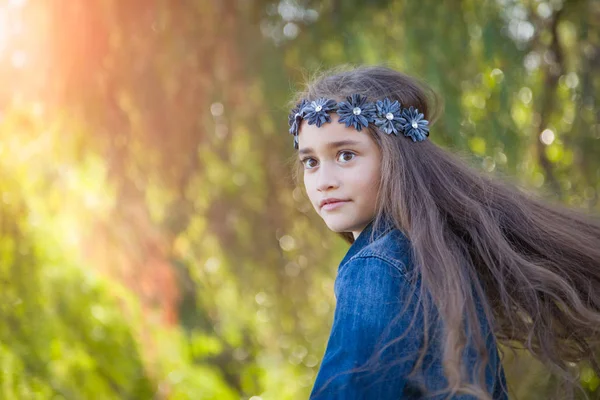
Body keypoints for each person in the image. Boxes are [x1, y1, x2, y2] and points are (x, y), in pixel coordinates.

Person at [287, 65, 600, 399]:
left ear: (396, 158)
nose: (324, 181)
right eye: (311, 162)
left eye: (345, 155)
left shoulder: (377, 266)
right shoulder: (438, 254)